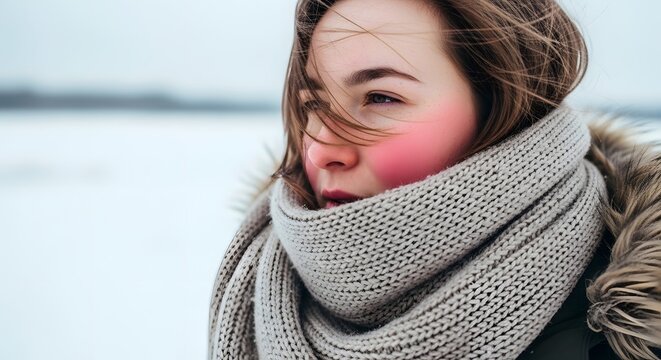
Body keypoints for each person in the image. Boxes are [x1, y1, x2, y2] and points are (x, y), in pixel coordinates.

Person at [208, 0, 661, 358]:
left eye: (381, 97)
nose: (322, 149)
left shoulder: (634, 330)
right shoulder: (261, 283)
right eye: (312, 104)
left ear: (502, 111)